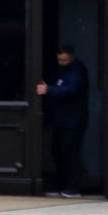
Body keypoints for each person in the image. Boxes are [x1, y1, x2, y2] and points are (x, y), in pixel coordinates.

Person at [38, 45, 89, 197]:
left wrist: (49, 90)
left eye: (64, 60)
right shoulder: (61, 69)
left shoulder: (77, 70)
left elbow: (71, 89)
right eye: (59, 60)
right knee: (58, 152)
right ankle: (61, 185)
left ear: (72, 58)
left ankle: (73, 188)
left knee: (70, 154)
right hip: (60, 120)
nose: (61, 63)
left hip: (73, 121)